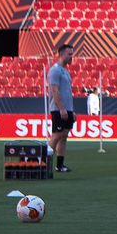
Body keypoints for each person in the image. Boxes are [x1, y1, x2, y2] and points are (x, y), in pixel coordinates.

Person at [45, 41, 75, 174]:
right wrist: (62, 108)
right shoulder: (55, 70)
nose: (71, 57)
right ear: (62, 54)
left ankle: (60, 165)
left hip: (67, 109)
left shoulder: (65, 71)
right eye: (69, 54)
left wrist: (70, 110)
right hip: (58, 109)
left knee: (64, 136)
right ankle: (43, 163)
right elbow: (54, 91)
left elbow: (67, 92)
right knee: (56, 136)